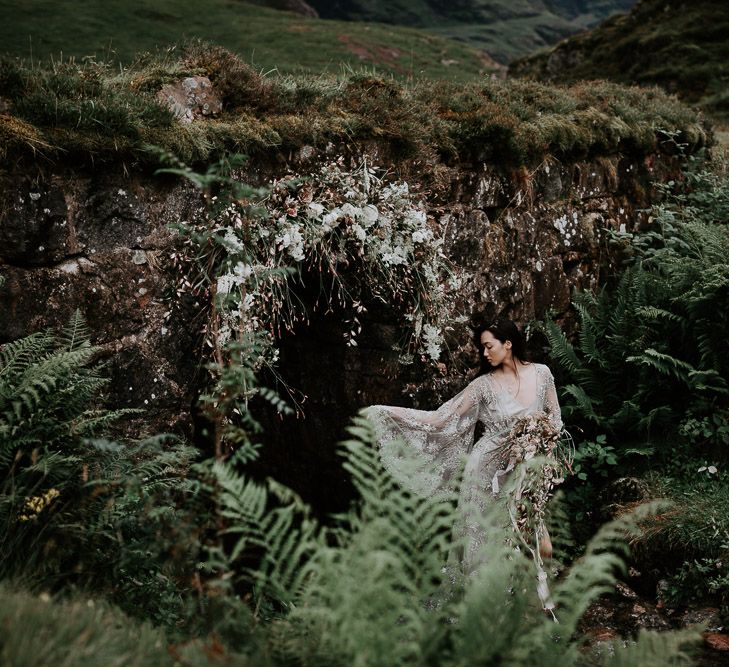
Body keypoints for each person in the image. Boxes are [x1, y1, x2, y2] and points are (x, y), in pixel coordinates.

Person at [366, 318, 563, 577]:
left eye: (489, 346)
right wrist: (385, 412)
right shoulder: (483, 386)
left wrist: (537, 443)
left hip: (525, 470)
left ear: (508, 343)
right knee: (486, 545)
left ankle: (539, 597)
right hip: (486, 472)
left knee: (542, 544)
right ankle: (488, 603)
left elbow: (556, 420)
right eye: (482, 348)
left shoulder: (542, 374)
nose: (484, 353)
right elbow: (440, 418)